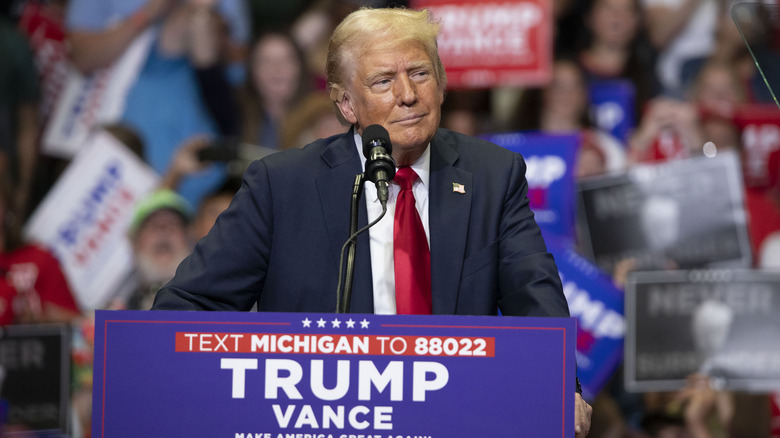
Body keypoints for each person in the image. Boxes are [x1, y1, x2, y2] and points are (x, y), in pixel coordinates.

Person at [152, 7, 592, 436]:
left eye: (420, 73)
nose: (407, 94)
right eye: (383, 81)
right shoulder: (282, 186)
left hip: (455, 419)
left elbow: (533, 295)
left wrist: (559, 385)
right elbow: (187, 308)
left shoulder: (492, 176)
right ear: (346, 103)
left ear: (440, 84)